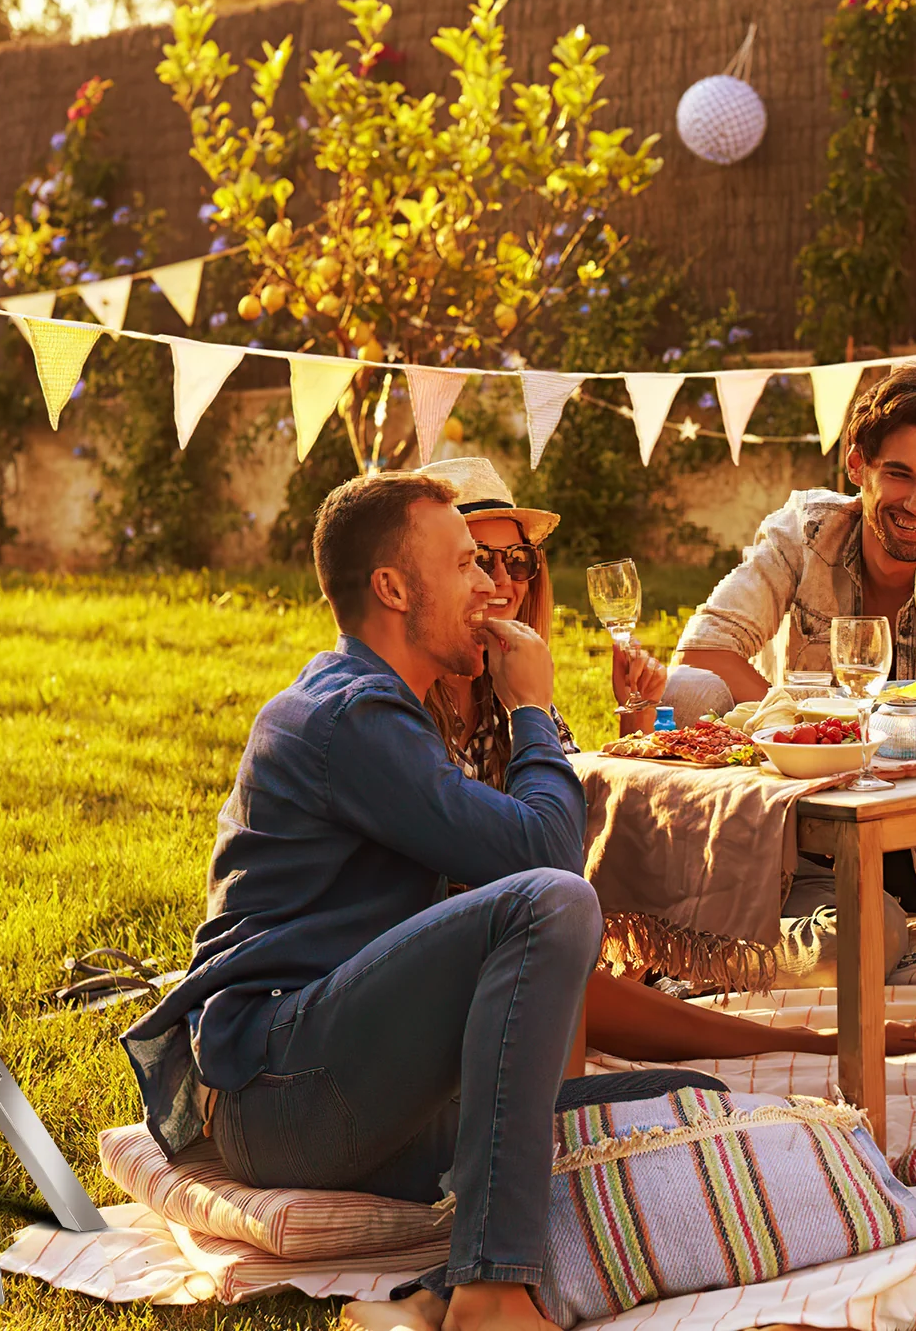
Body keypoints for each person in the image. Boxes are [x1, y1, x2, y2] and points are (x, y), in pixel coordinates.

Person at [121, 471, 598, 1331]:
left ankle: (417, 1304)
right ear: (393, 588)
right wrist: (534, 709)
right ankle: (489, 1296)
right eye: (466, 564)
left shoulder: (383, 711)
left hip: (343, 1081)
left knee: (649, 1112)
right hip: (279, 1092)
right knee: (549, 904)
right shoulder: (351, 718)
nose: (492, 588)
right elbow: (548, 859)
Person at [420, 456, 916, 1062]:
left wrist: (634, 719)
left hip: (580, 923)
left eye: (519, 560)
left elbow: (590, 819)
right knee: (571, 970)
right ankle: (783, 1033)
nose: (503, 581)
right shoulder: (409, 712)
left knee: (872, 924)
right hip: (511, 949)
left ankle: (681, 972)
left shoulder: (512, 685)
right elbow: (541, 863)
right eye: (479, 559)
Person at [672, 363, 916, 1020]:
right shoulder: (803, 536)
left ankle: (700, 960)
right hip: (807, 849)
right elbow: (701, 655)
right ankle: (690, 954)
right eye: (900, 474)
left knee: (872, 933)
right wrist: (814, 730)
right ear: (857, 465)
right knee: (685, 693)